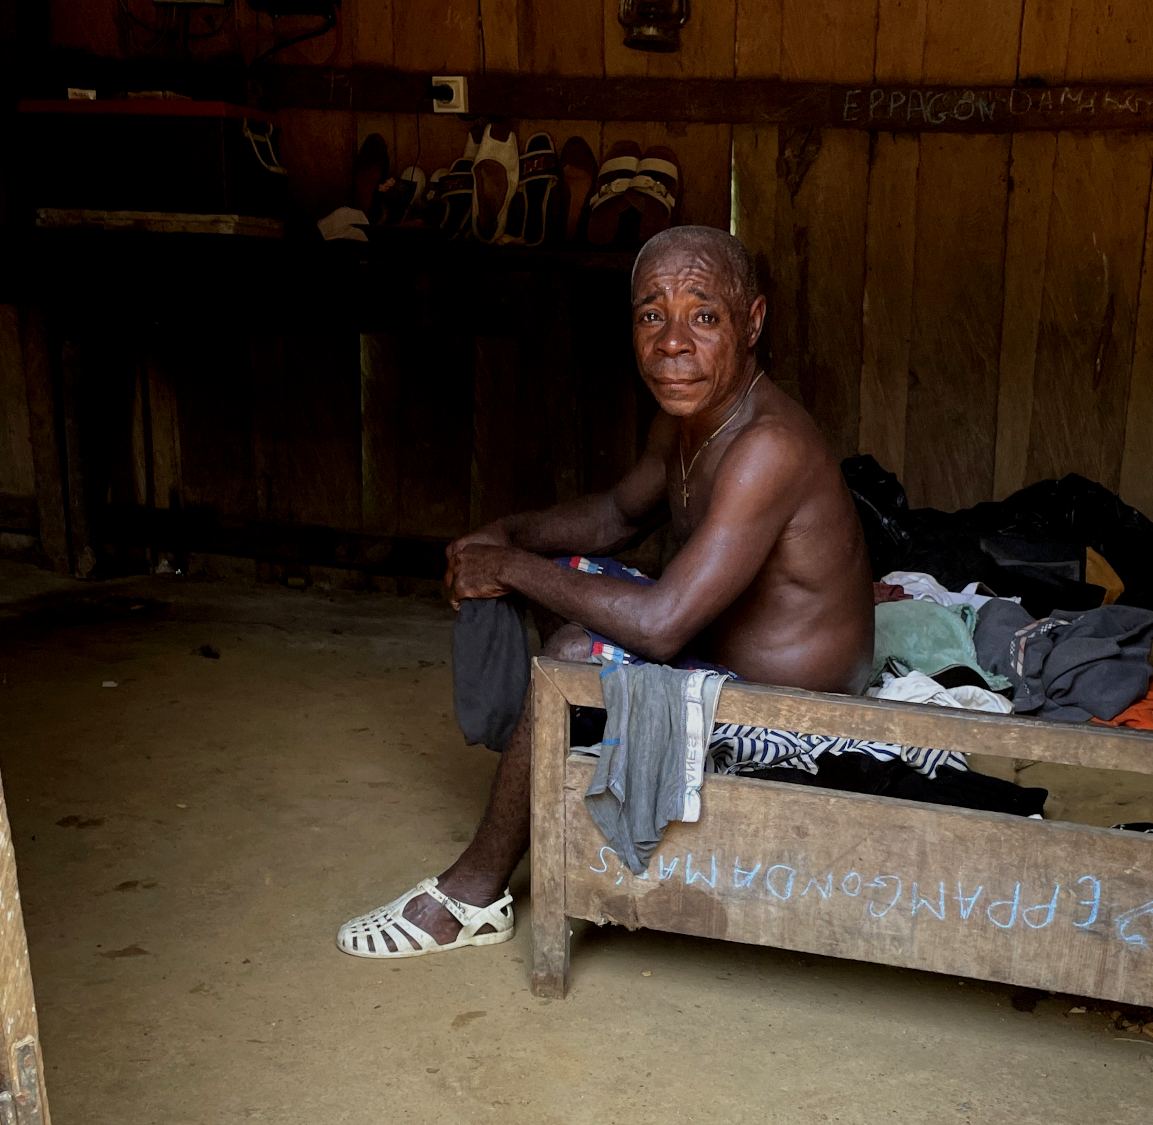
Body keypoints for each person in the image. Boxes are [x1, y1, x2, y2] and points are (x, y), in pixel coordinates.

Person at [336, 226, 874, 959]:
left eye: (704, 315)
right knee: (569, 587)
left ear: (753, 323)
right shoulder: (688, 423)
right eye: (652, 314)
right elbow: (617, 516)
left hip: (797, 712)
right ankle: (543, 765)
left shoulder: (765, 448)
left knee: (572, 652)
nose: (673, 341)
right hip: (717, 654)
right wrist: (508, 536)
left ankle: (471, 894)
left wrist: (513, 566)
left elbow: (659, 624)